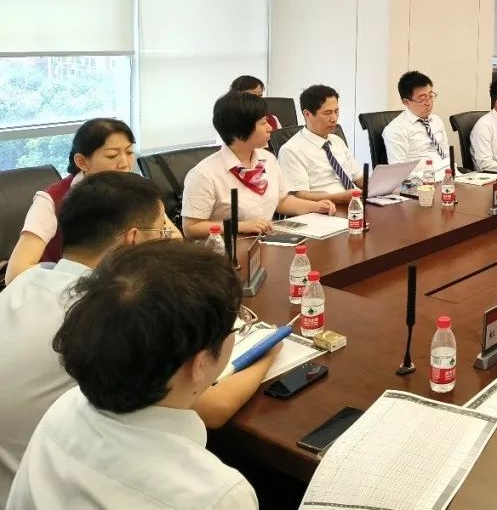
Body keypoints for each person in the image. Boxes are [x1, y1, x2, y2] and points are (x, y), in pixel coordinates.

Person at [0, 173, 277, 504]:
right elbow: (211, 406)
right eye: (162, 230)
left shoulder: (28, 281)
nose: (168, 239)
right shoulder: (108, 315)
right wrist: (271, 349)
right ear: (132, 240)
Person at [5, 118, 177, 287]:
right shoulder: (51, 200)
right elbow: (16, 273)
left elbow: (175, 238)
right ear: (82, 161)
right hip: (70, 290)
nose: (125, 164)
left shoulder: (136, 189)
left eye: (129, 152)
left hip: (130, 285)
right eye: (112, 155)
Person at [182, 91, 335, 239]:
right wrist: (239, 226)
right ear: (241, 129)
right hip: (228, 248)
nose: (270, 128)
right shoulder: (204, 174)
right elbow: (191, 228)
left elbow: (281, 201)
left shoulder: (267, 159)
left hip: (264, 241)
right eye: (263, 123)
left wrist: (315, 206)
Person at [278, 85, 364, 205]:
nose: (334, 118)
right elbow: (299, 196)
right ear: (307, 114)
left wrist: (380, 186)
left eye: (336, 111)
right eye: (327, 113)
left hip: (354, 203)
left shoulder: (337, 141)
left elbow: (358, 178)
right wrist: (339, 197)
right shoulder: (291, 150)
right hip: (325, 208)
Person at [383, 71, 451, 166]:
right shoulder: (395, 130)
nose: (428, 103)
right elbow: (399, 170)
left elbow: (446, 153)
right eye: (422, 99)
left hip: (448, 171)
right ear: (406, 102)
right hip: (423, 174)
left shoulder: (436, 120)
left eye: (430, 96)